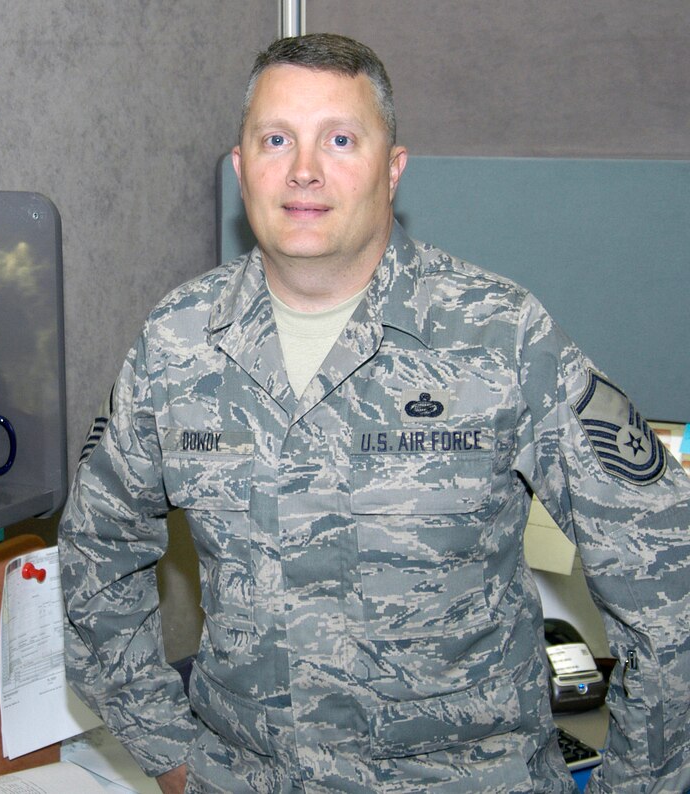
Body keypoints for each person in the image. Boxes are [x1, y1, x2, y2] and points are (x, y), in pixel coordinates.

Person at [59, 32, 690, 793]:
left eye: (341, 139)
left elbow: (668, 573)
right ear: (241, 166)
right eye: (276, 139)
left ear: (393, 170)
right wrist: (169, 752)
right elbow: (95, 552)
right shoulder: (177, 343)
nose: (304, 170)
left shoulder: (500, 337)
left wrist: (639, 782)